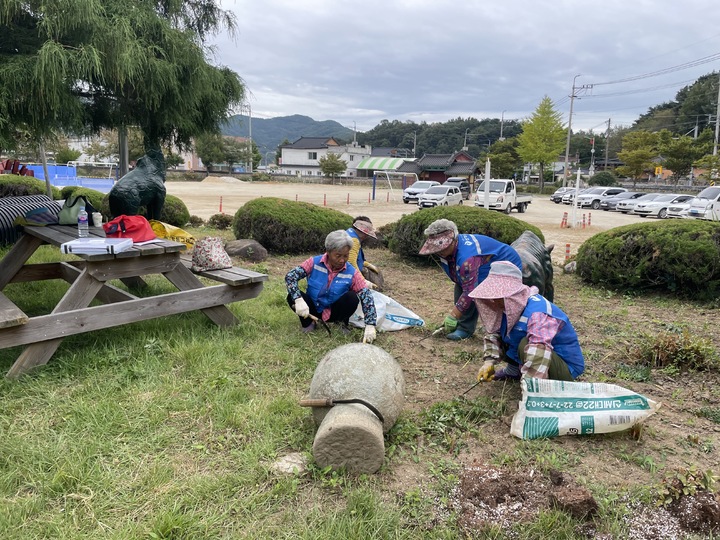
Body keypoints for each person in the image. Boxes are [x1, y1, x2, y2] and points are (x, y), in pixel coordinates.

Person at [470, 261, 584, 382]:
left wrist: (530, 386)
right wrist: (489, 362)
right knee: (509, 333)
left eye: (500, 296)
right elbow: (494, 332)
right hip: (538, 357)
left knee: (525, 342)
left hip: (564, 367)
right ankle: (514, 371)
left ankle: (539, 383)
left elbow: (539, 351)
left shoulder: (537, 312)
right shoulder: (508, 308)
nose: (495, 300)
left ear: (514, 294)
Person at [418, 219, 522, 341]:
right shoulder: (449, 251)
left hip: (504, 266)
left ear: (453, 241)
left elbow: (469, 291)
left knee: (484, 294)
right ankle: (464, 326)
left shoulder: (467, 259)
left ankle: (499, 329)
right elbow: (462, 284)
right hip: (482, 264)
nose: (438, 252)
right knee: (462, 286)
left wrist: (453, 315)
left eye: (442, 248)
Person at [285, 230, 377, 343]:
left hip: (335, 310)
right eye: (338, 255)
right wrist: (298, 299)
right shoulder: (314, 262)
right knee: (292, 296)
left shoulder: (352, 272)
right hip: (313, 308)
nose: (342, 260)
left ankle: (341, 322)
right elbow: (291, 276)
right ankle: (309, 322)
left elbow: (366, 295)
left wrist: (370, 324)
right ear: (328, 252)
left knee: (352, 297)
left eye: (346, 255)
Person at [346, 216, 382, 289]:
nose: (366, 236)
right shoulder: (354, 240)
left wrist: (367, 264)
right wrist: (362, 281)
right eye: (365, 233)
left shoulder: (349, 232)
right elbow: (351, 263)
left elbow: (353, 258)